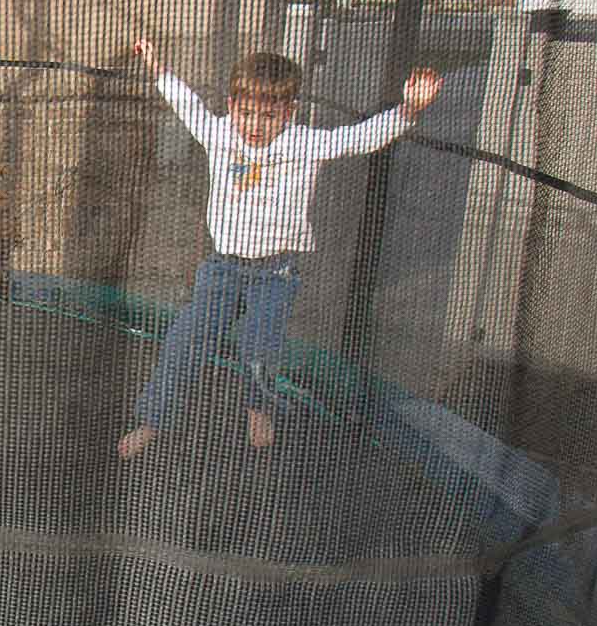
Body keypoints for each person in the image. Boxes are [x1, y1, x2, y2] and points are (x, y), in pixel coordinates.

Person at [118, 39, 443, 457]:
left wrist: (409, 110)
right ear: (232, 104)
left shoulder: (303, 144)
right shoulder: (219, 134)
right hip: (222, 268)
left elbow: (361, 138)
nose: (254, 124)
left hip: (274, 273)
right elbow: (188, 106)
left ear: (288, 113)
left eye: (269, 115)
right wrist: (159, 69)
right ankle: (152, 420)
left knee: (260, 348)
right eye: (245, 112)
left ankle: (260, 407)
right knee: (185, 342)